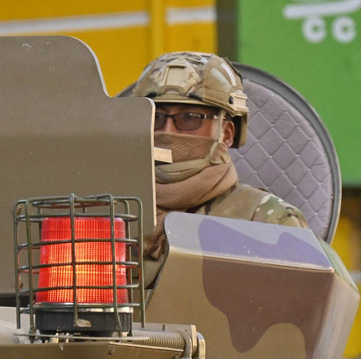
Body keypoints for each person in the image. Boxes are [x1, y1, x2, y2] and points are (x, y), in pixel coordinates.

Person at [131, 51, 308, 277]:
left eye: (190, 117)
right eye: (155, 117)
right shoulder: (110, 212)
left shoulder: (267, 221)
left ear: (226, 133)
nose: (167, 131)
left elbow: (299, 307)